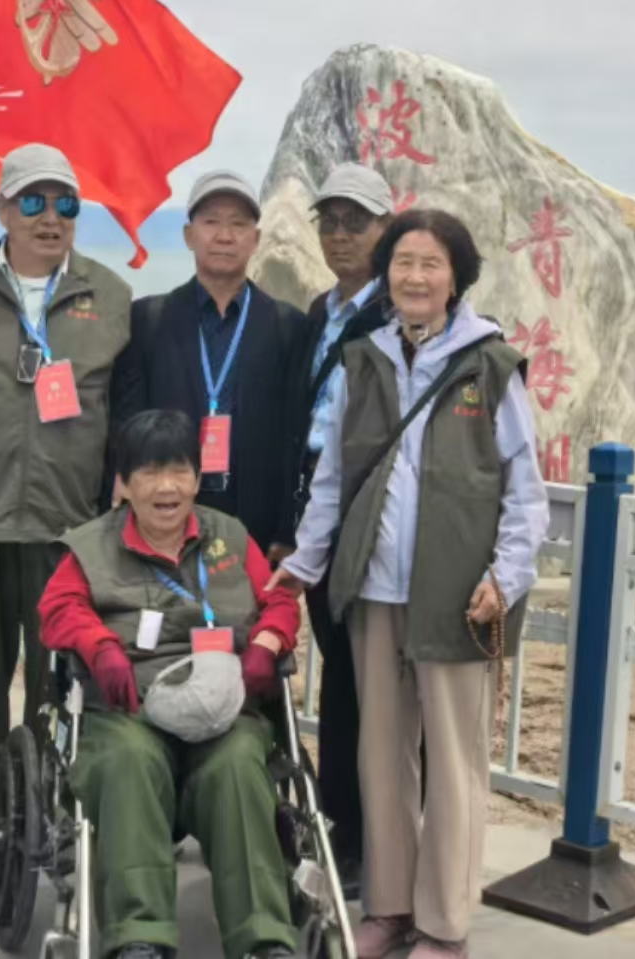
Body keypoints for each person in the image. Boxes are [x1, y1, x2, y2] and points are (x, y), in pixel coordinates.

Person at [271, 208, 550, 959]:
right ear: (385, 273)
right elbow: (333, 478)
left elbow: (527, 495)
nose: (415, 277)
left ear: (456, 276)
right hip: (374, 592)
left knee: (454, 766)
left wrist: (507, 576)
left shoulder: (488, 366)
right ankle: (388, 908)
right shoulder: (366, 360)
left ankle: (444, 925)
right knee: (378, 753)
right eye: (403, 263)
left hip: (459, 598)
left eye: (431, 264)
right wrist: (303, 563)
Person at [0, 143, 132, 873]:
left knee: (59, 683)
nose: (51, 217)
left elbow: (123, 422)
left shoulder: (110, 297)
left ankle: (47, 808)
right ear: (4, 210)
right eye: (34, 202)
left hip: (68, 527)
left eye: (67, 203)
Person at [38, 409, 301, 959]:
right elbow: (57, 608)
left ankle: (263, 940)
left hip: (225, 710)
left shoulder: (228, 536)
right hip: (129, 710)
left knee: (237, 768)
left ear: (197, 478)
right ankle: (140, 935)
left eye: (179, 471)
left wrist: (266, 645)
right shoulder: (91, 545)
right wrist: (100, 645)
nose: (166, 488)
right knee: (129, 761)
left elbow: (277, 599)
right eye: (150, 473)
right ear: (125, 483)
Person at [286, 162, 393, 892]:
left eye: (357, 220)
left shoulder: (397, 312)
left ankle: (361, 840)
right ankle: (338, 822)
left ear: (386, 228)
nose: (340, 232)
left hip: (370, 520)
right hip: (315, 517)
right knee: (341, 679)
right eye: (329, 219)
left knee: (363, 685)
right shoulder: (323, 309)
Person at [112, 171, 305, 559]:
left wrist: (287, 528)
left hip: (256, 520)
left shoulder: (287, 325)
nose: (224, 235)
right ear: (188, 236)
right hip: (166, 512)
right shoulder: (149, 319)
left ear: (255, 239)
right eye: (212, 222)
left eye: (238, 224)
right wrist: (122, 478)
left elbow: (294, 437)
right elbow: (127, 418)